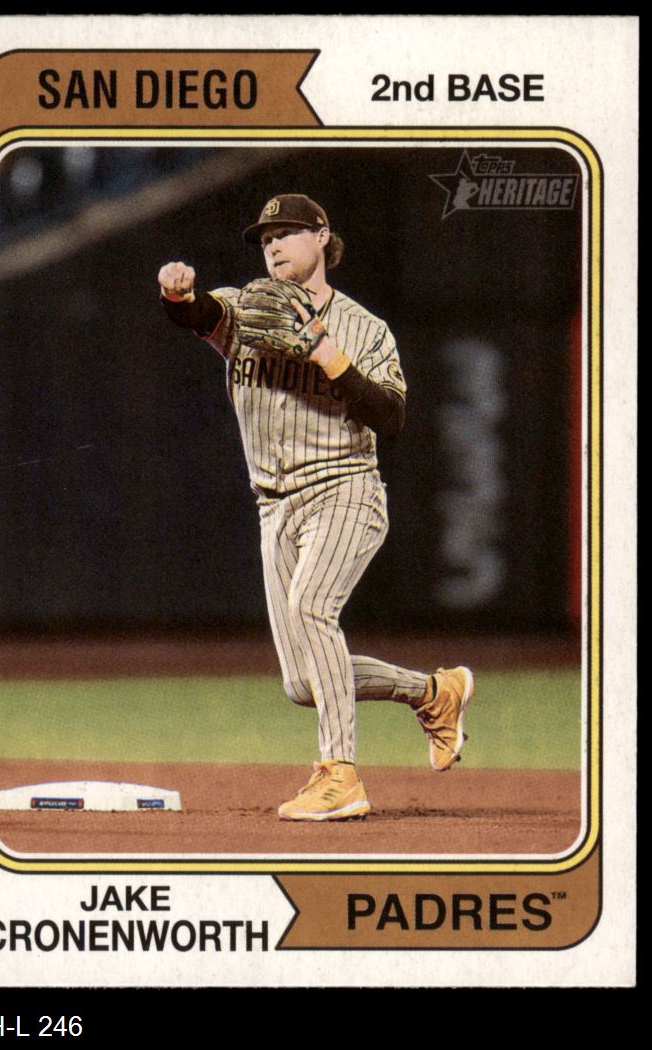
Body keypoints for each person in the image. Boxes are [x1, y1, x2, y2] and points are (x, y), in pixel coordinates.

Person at [157, 193, 474, 822]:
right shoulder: (249, 309)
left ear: (322, 236)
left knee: (312, 609)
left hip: (344, 489)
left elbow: (392, 417)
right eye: (265, 237)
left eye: (286, 232)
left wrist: (327, 354)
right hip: (273, 507)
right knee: (303, 683)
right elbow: (201, 314)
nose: (272, 244)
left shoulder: (365, 328)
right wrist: (178, 296)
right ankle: (435, 693)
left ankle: (340, 775)